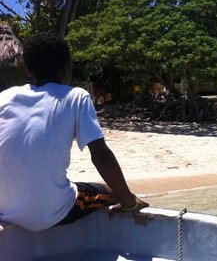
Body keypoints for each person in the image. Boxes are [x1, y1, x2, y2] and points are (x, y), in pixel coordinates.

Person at [0, 32, 147, 231]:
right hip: (50, 215)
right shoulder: (75, 96)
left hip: (5, 211)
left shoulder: (5, 97)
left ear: (28, 69)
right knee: (113, 192)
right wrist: (128, 201)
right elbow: (100, 154)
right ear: (65, 68)